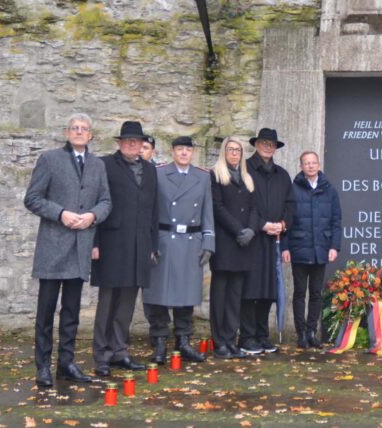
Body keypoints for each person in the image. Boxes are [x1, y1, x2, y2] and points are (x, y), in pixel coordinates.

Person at [24, 113, 111, 388]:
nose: (79, 132)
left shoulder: (97, 165)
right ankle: (43, 367)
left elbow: (106, 201)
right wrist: (60, 213)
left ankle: (66, 364)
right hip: (53, 247)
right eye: (74, 128)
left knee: (71, 312)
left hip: (80, 248)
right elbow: (32, 198)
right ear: (66, 132)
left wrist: (93, 216)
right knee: (46, 312)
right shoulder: (50, 159)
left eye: (84, 129)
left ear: (91, 135)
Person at [91, 120, 158, 378]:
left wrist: (153, 245)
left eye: (137, 141)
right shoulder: (105, 165)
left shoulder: (150, 170)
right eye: (127, 140)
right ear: (119, 143)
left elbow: (154, 209)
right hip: (111, 243)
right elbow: (95, 203)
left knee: (128, 302)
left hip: (140, 244)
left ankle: (119, 350)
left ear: (143, 144)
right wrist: (94, 243)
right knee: (108, 301)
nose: (132, 144)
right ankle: (101, 354)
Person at [142, 135, 215, 364]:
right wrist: (150, 243)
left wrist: (208, 242)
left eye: (188, 149)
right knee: (158, 295)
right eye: (180, 149)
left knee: (187, 295)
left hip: (191, 240)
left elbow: (207, 211)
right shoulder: (159, 173)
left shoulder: (202, 177)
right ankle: (160, 341)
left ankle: (183, 341)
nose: (184, 153)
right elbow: (150, 210)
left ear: (193, 152)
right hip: (164, 239)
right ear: (172, 151)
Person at [240, 127, 296, 355]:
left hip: (273, 239)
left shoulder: (282, 175)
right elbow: (241, 203)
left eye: (271, 144)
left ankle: (262, 335)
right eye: (264, 142)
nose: (267, 147)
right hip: (252, 238)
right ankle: (246, 337)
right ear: (256, 144)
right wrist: (262, 224)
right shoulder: (244, 169)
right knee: (249, 289)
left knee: (268, 290)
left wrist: (282, 225)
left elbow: (291, 206)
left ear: (275, 148)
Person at [284, 151, 342, 349]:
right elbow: (287, 221)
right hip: (299, 249)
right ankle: (301, 334)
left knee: (316, 293)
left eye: (313, 162)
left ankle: (311, 332)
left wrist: (334, 246)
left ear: (318, 165)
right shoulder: (293, 189)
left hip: (321, 250)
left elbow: (336, 222)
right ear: (301, 166)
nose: (310, 166)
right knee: (300, 293)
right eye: (306, 163)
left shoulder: (330, 190)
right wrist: (285, 247)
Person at [209, 137, 258, 359]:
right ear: (224, 152)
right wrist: (238, 230)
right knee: (220, 295)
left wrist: (251, 230)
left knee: (235, 296)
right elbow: (217, 208)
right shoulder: (216, 175)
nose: (235, 153)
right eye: (230, 149)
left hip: (244, 245)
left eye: (238, 150)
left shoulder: (248, 178)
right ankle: (219, 342)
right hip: (225, 243)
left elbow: (255, 208)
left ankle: (230, 339)